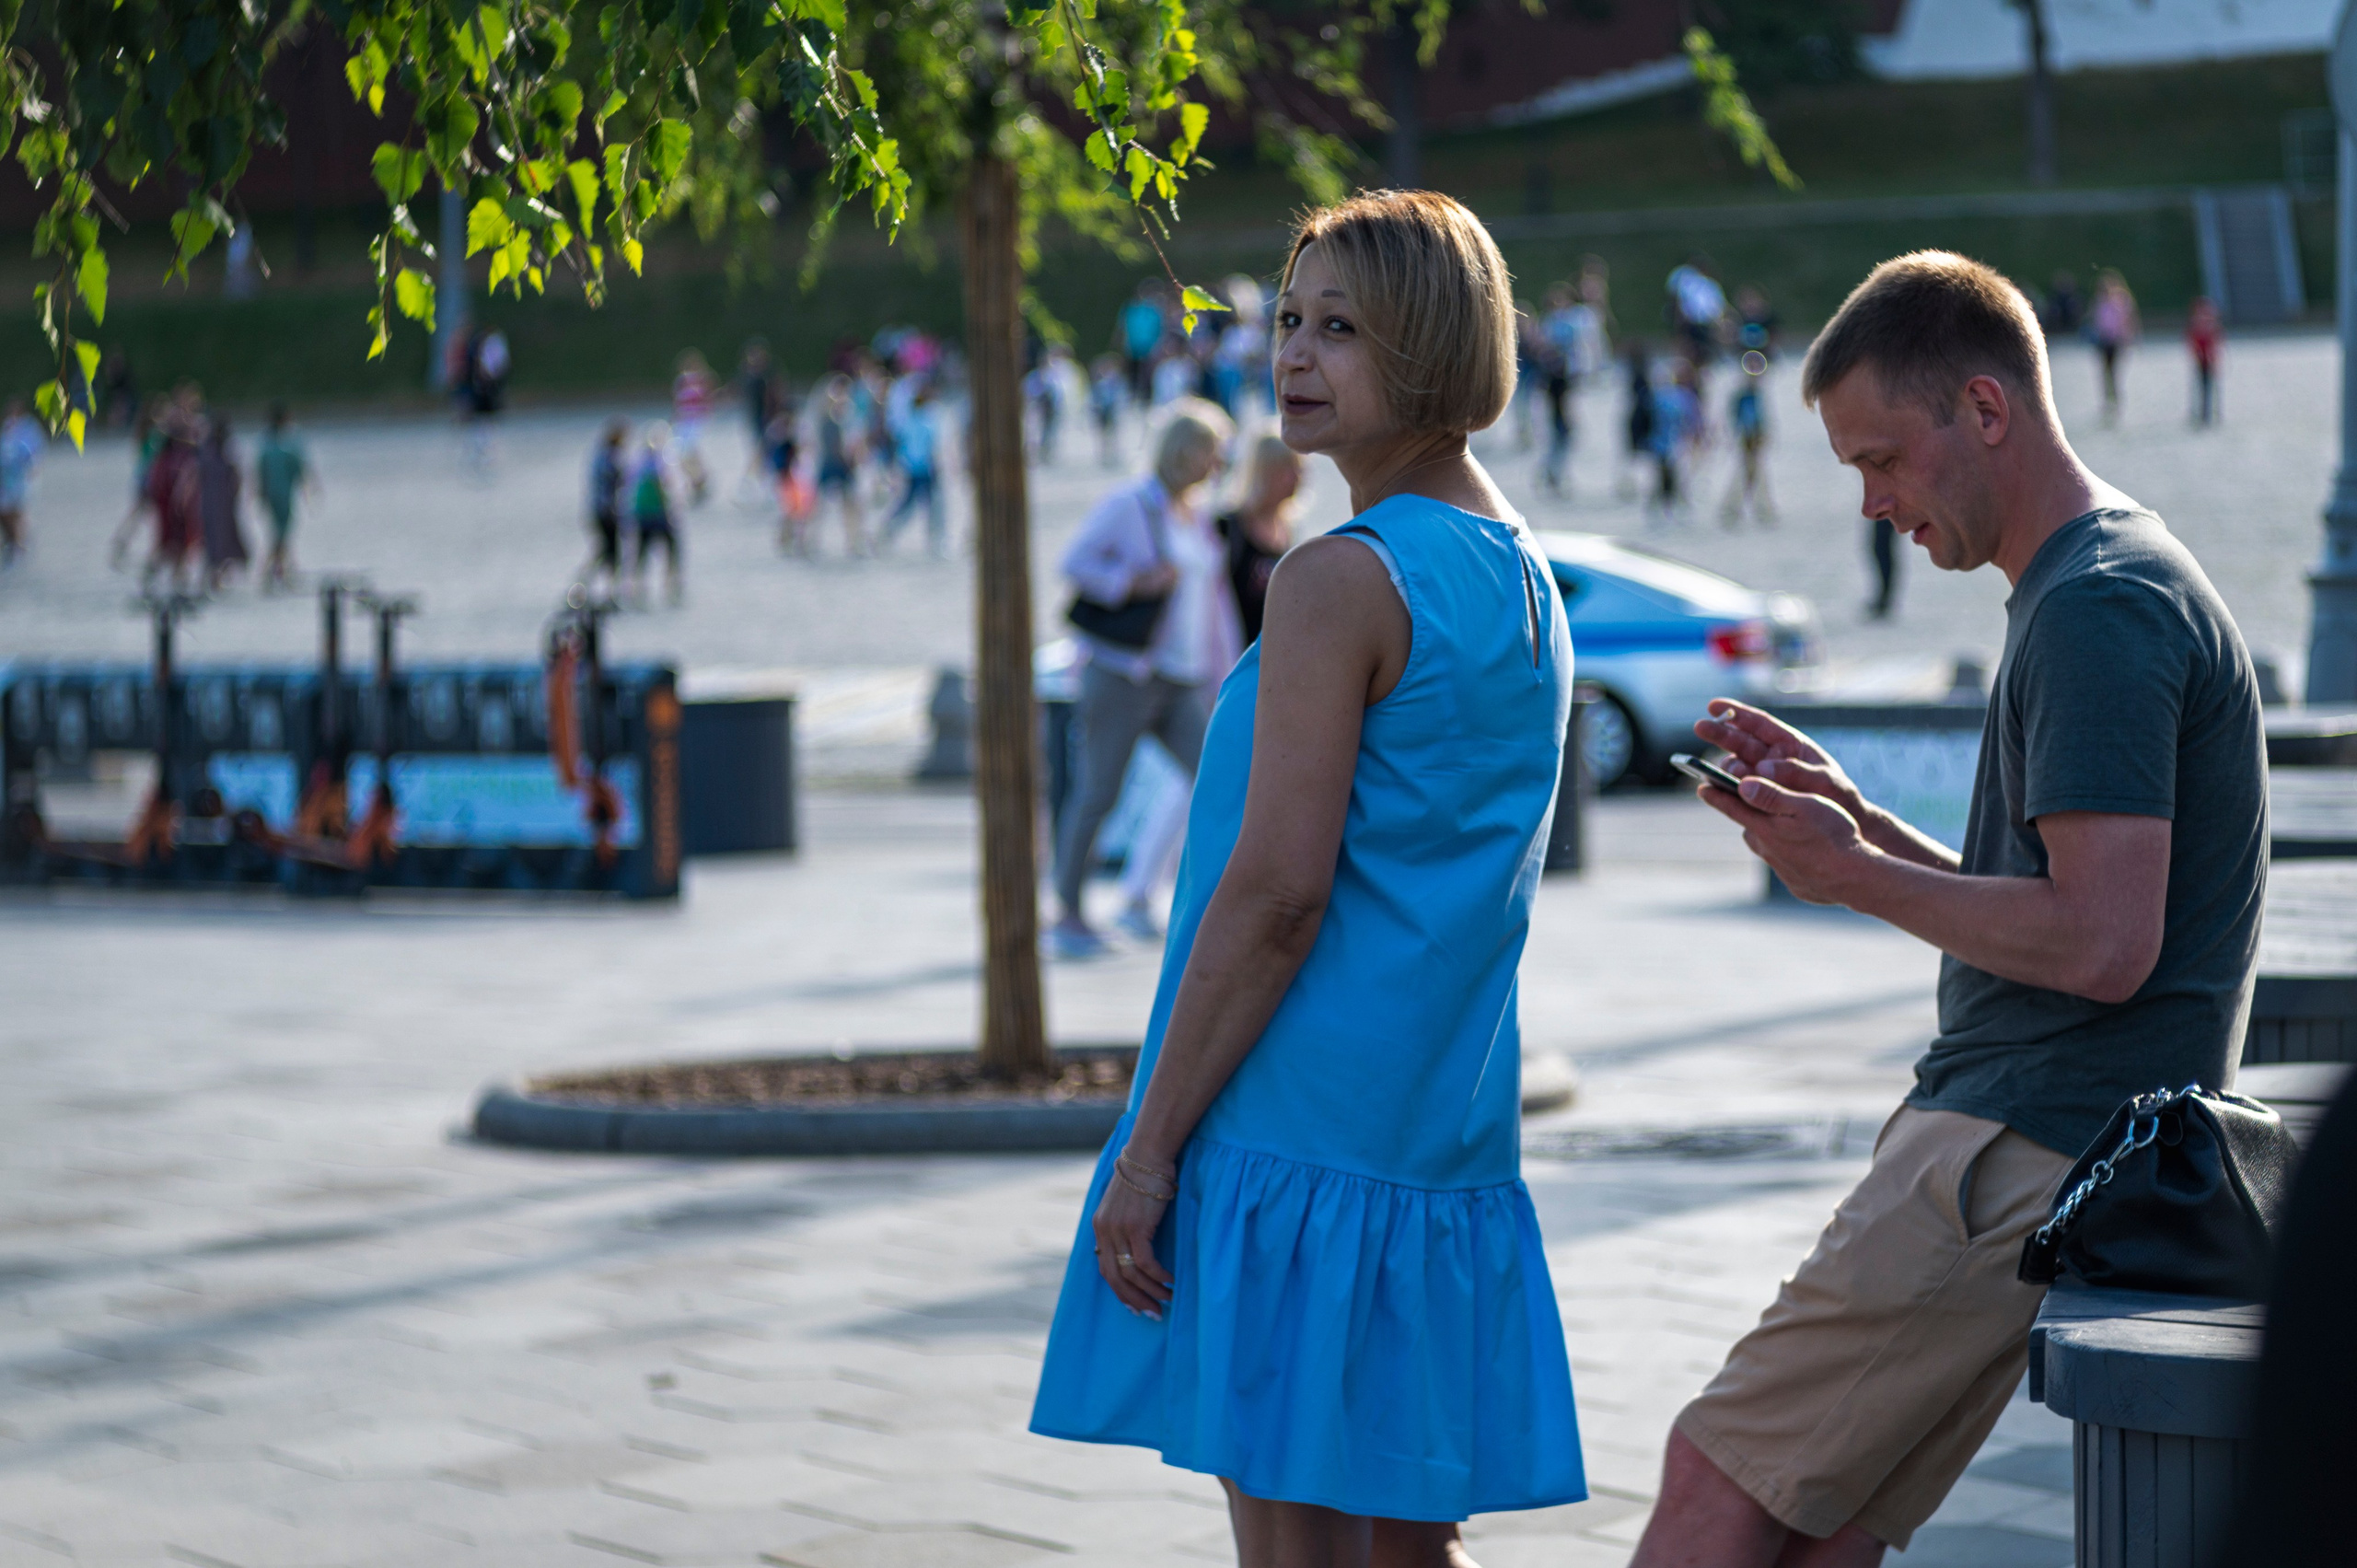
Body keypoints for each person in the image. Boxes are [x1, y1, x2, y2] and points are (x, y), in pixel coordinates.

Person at [1632, 250, 2267, 1568]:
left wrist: (1850, 872)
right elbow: (2058, 902)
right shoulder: (2100, 575)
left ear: (1985, 408)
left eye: (1881, 460)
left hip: (2014, 1141)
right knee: (1809, 1540)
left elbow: (2101, 943)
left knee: (1714, 1474)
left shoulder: (2097, 606)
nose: (1871, 503)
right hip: (2048, 1147)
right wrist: (1856, 819)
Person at [1032, 191, 1583, 1567]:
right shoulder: (1524, 575)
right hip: (1433, 1137)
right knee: (1407, 1549)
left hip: (1295, 1133)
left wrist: (1148, 1148)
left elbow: (1277, 895)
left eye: (1341, 326)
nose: (1293, 352)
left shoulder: (1340, 577)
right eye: (1288, 317)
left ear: (1437, 347)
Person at [1046, 400, 1238, 959]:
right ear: (1184, 451)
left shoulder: (1195, 514)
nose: (1218, 462)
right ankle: (1067, 911)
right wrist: (1133, 581)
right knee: (1098, 792)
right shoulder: (1130, 504)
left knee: (1219, 780)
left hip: (1182, 680)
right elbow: (1076, 564)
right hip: (1124, 674)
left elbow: (1214, 604)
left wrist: (1224, 674)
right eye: (1211, 451)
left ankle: (1192, 905)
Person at [254, 402, 315, 592]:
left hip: (274, 495)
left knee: (281, 533)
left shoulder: (267, 442)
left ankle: (282, 572)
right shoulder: (288, 443)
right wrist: (309, 492)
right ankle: (269, 573)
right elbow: (300, 470)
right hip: (281, 496)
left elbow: (260, 472)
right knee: (281, 534)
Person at [882, 379, 946, 555]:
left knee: (909, 505)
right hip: (925, 469)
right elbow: (932, 448)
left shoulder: (908, 422)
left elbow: (900, 446)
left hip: (911, 468)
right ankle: (935, 538)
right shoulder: (928, 421)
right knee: (932, 505)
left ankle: (888, 530)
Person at [627, 423, 683, 605]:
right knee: (672, 550)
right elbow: (663, 485)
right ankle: (671, 584)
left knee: (641, 553)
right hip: (657, 514)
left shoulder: (637, 461)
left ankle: (636, 588)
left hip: (641, 514)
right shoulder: (658, 461)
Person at [812, 375, 866, 555]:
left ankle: (854, 541)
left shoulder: (847, 416)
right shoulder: (827, 415)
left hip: (840, 465)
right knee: (819, 506)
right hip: (832, 464)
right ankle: (810, 540)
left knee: (849, 505)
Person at [195, 416, 249, 593]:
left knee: (223, 542)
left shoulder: (222, 450)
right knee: (214, 543)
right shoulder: (211, 450)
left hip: (221, 504)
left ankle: (216, 579)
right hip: (214, 504)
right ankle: (212, 580)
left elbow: (237, 477)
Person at [1721, 355, 1774, 527]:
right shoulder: (1744, 395)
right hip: (1748, 436)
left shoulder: (1756, 394)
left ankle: (1755, 508)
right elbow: (1740, 418)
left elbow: (1761, 417)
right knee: (1750, 472)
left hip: (1755, 436)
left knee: (1753, 472)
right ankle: (1737, 507)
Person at [585, 418, 630, 593]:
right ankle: (610, 591)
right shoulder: (610, 456)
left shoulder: (600, 454)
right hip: (607, 512)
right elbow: (618, 480)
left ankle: (587, 586)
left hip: (600, 510)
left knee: (605, 551)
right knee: (611, 553)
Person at [2088, 269, 2138, 423]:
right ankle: (2108, 400)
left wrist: (2128, 337)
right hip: (2103, 341)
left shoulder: (2121, 301)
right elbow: (2096, 321)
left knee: (2113, 372)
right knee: (2105, 372)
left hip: (2116, 341)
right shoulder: (2099, 303)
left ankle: (2115, 401)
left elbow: (2129, 320)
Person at [670, 349, 716, 505]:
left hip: (696, 421)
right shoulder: (681, 381)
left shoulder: (703, 380)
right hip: (684, 421)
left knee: (690, 451)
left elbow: (708, 400)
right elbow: (678, 403)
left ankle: (700, 479)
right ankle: (697, 480)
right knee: (680, 454)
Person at [0, 398, 41, 568]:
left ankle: (18, 544)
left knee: (16, 512)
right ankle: (14, 542)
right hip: (6, 478)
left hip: (18, 478)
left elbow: (30, 454)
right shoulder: (8, 428)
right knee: (6, 513)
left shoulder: (28, 428)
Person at [2186, 296, 2222, 426]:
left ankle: (2211, 413)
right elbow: (2192, 342)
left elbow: (2216, 342)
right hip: (2200, 359)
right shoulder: (2197, 324)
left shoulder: (2210, 324)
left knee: (2210, 386)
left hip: (2209, 359)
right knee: (2201, 386)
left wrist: (2215, 357)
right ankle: (2201, 413)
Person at [1088, 354, 1125, 468]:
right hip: (1102, 411)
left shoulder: (1116, 381)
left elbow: (1120, 396)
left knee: (1113, 433)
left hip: (1112, 410)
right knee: (1103, 434)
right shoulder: (1099, 382)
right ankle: (1104, 454)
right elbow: (1094, 398)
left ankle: (1113, 454)